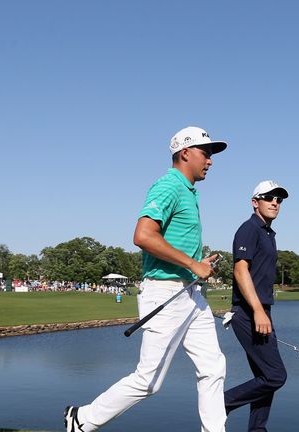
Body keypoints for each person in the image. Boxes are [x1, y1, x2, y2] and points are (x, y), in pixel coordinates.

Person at [65, 126, 229, 432]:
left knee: (213, 366)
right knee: (149, 380)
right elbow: (142, 236)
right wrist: (194, 264)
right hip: (166, 295)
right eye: (206, 153)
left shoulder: (188, 191)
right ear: (185, 153)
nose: (210, 161)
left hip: (191, 295)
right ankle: (82, 419)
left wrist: (198, 265)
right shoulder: (168, 186)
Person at [224, 180, 289, 432]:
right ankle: (220, 403)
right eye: (269, 198)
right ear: (255, 202)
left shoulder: (267, 232)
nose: (275, 202)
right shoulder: (249, 229)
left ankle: (258, 429)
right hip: (250, 312)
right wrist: (259, 311)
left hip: (261, 311)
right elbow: (240, 271)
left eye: (279, 199)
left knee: (265, 377)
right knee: (275, 376)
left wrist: (263, 311)